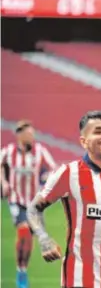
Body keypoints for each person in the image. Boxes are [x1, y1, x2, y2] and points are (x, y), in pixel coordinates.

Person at [26, 110, 101, 288]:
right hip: (79, 278)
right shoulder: (69, 173)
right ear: (83, 141)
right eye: (99, 131)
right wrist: (44, 240)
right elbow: (34, 208)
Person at [0, 120, 56, 288]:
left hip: (34, 201)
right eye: (28, 134)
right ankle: (21, 270)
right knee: (23, 230)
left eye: (33, 134)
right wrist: (3, 182)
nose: (31, 137)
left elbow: (53, 168)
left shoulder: (40, 151)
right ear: (19, 135)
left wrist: (48, 177)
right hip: (16, 200)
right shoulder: (8, 152)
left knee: (28, 238)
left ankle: (23, 268)